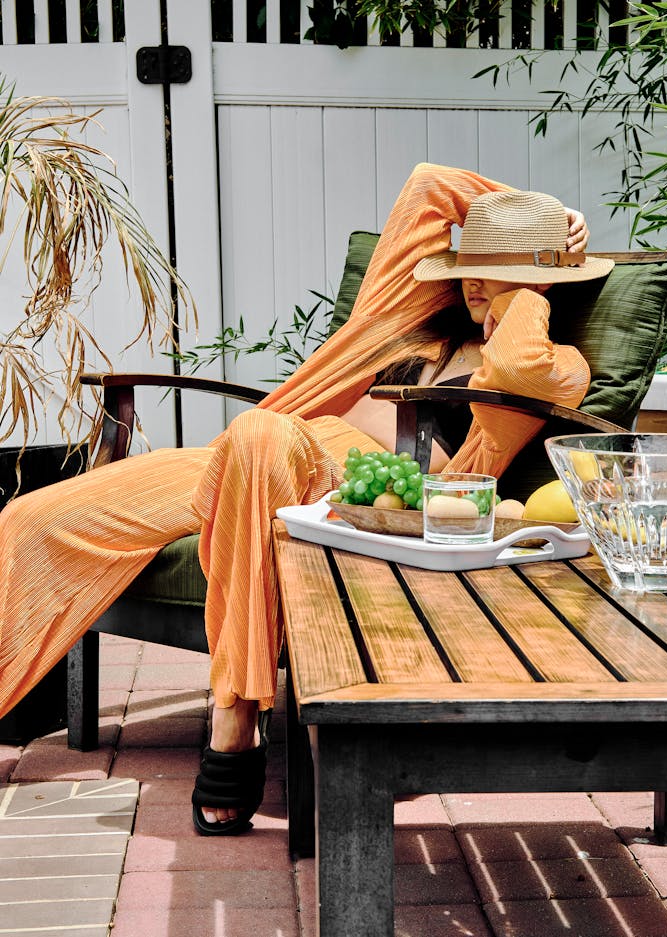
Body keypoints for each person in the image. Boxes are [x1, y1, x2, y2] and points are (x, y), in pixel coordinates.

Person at [0, 163, 613, 836]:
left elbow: (522, 364)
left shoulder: (557, 363)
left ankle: (233, 714)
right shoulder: (399, 316)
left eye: (488, 268)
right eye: (466, 262)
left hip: (369, 493)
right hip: (255, 459)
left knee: (259, 433)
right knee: (26, 516)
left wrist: (529, 280)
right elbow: (430, 185)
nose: (469, 278)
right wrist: (531, 216)